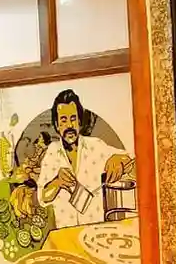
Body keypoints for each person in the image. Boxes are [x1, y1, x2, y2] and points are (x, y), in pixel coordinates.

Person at [35, 90, 135, 228]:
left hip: (97, 229)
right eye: (63, 120)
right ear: (57, 125)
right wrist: (57, 182)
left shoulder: (96, 146)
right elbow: (42, 198)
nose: (69, 125)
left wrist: (119, 160)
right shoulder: (52, 152)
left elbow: (131, 159)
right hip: (67, 232)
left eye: (73, 119)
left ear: (79, 121)